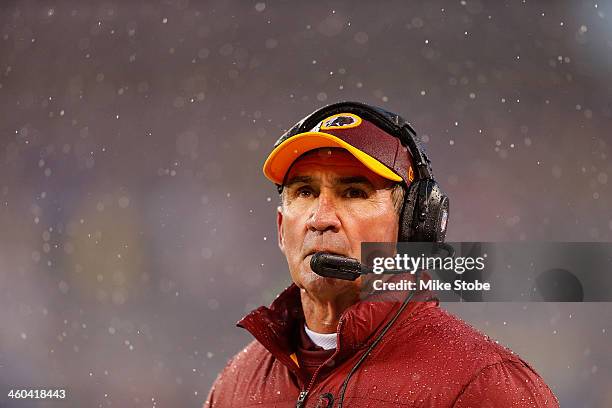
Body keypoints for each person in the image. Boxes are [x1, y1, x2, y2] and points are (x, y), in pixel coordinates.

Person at [204, 102, 559, 407]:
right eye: (306, 192)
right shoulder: (236, 385)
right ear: (281, 228)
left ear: (413, 228)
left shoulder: (485, 385)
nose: (321, 219)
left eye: (354, 192)